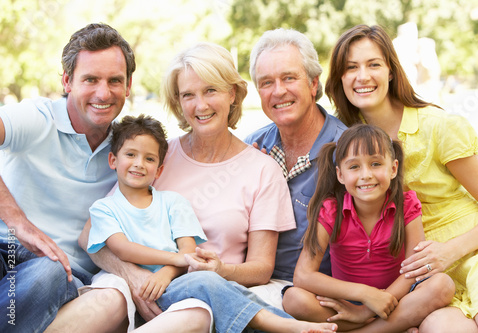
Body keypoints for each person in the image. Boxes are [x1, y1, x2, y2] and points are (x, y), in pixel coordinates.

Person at [79, 41, 337, 333]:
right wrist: (134, 277)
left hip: (204, 292)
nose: (200, 105)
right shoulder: (156, 157)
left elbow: (262, 267)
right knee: (108, 298)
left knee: (196, 313)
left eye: (210, 90)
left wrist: (221, 270)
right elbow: (91, 234)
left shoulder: (263, 169)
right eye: (188, 95)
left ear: (232, 93)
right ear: (178, 101)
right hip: (135, 280)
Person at [325, 24, 478, 333]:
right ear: (340, 77)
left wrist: (451, 251)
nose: (362, 76)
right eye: (351, 67)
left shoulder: (437, 126)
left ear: (391, 72)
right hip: (421, 276)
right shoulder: (347, 141)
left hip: (476, 251)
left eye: (373, 64)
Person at [0, 23, 135, 332]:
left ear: (128, 86)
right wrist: (18, 221)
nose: (103, 93)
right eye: (90, 79)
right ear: (67, 81)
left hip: (57, 273)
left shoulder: (127, 150)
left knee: (51, 272)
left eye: (115, 81)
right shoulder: (37, 118)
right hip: (5, 249)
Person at [282, 124, 455, 332]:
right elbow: (303, 276)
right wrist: (365, 295)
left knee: (442, 285)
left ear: (393, 168)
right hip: (346, 304)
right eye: (354, 167)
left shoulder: (406, 204)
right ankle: (387, 329)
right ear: (340, 175)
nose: (366, 175)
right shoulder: (331, 209)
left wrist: (367, 311)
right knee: (294, 299)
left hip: (394, 301)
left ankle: (364, 329)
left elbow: (414, 270)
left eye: (375, 164)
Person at [244, 28, 347, 310]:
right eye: (266, 83)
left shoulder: (348, 149)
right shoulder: (251, 148)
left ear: (314, 84)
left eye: (289, 78)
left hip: (320, 297)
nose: (278, 91)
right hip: (258, 287)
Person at [86, 114, 208, 328]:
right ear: (113, 160)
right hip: (120, 281)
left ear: (159, 170)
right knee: (105, 298)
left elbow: (187, 252)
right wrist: (176, 258)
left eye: (149, 159)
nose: (139, 164)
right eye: (131, 154)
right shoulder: (103, 208)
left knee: (205, 289)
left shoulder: (174, 202)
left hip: (170, 281)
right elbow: (123, 249)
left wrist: (165, 273)